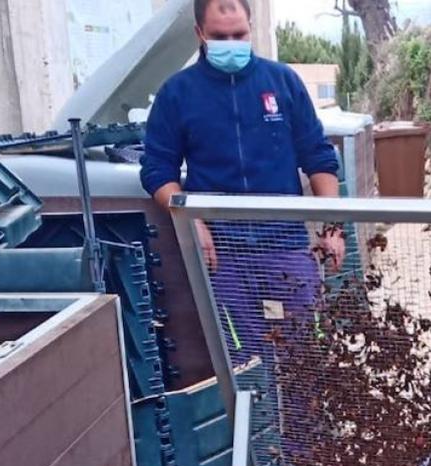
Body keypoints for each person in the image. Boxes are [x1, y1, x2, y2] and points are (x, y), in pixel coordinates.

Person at [139, 0, 344, 368]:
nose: (231, 43)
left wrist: (332, 226)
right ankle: (253, 427)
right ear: (200, 34)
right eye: (220, 37)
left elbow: (319, 157)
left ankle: (305, 428)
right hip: (223, 257)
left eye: (239, 34)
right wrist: (191, 220)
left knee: (304, 363)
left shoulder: (282, 83)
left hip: (286, 250)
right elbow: (156, 169)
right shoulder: (177, 94)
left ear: (251, 27)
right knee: (244, 366)